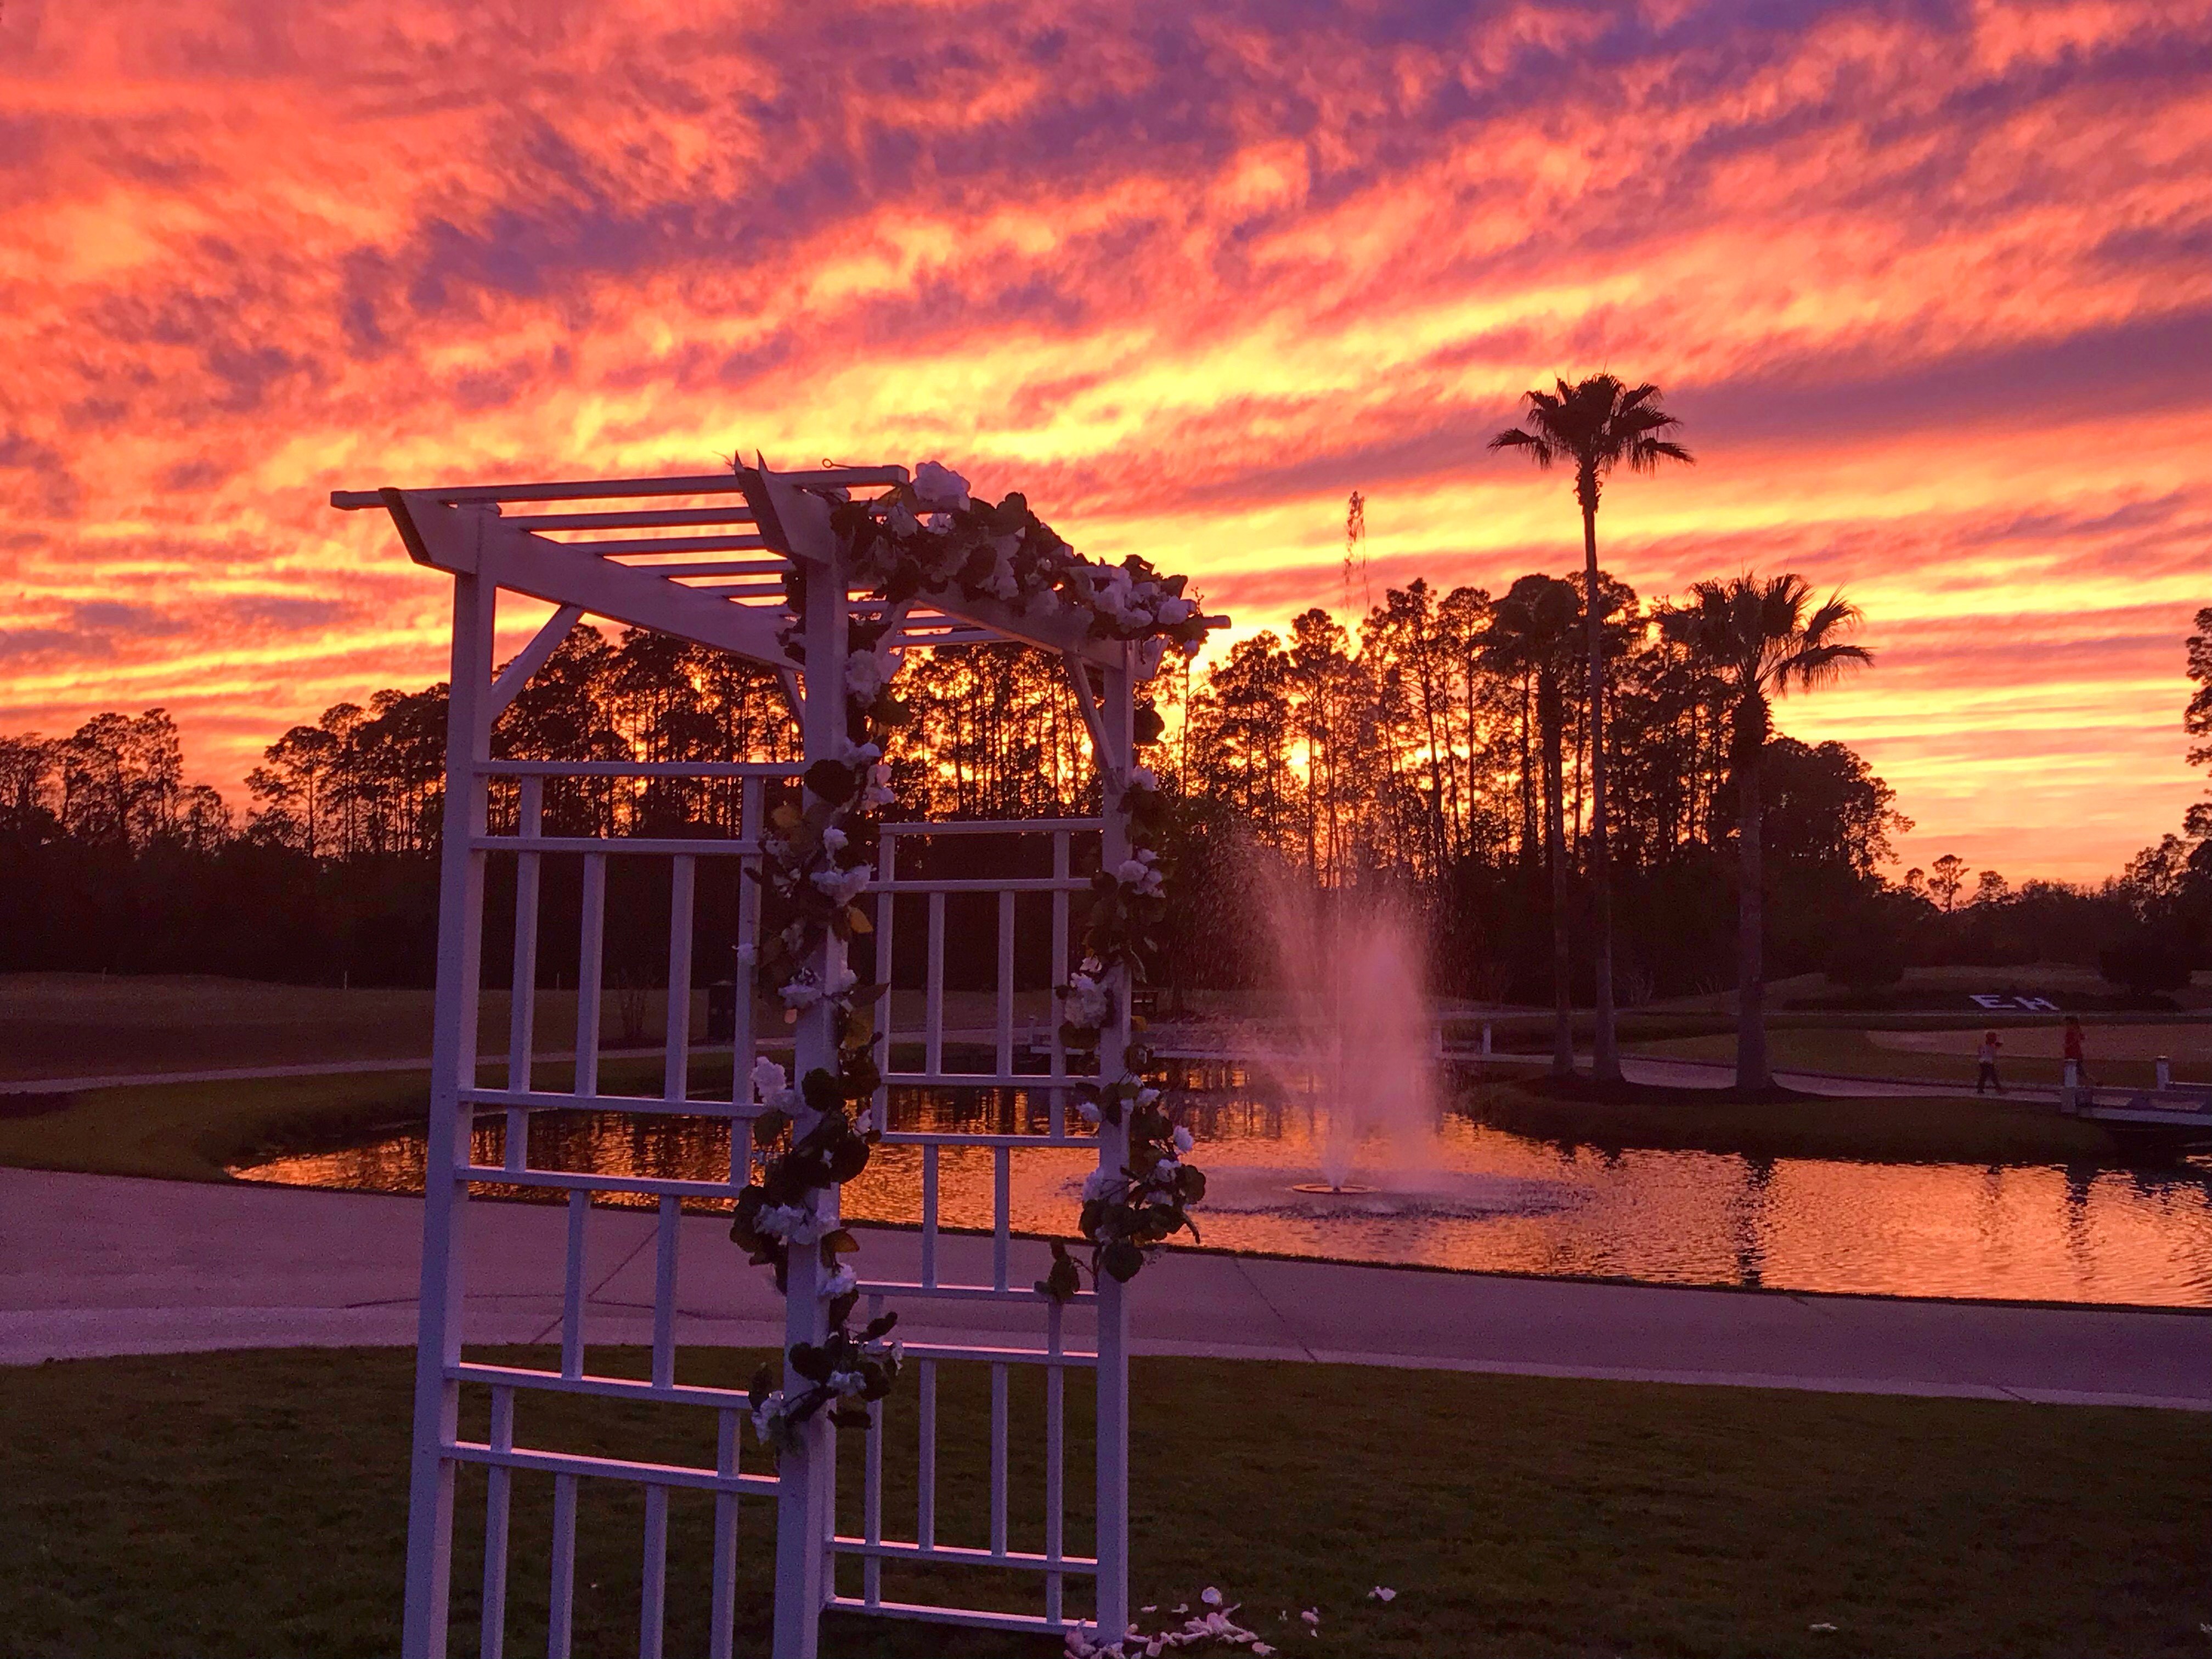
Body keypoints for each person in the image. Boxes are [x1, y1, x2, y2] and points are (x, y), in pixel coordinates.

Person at [2062, 1015, 2094, 1101]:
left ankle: (2088, 1085)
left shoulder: (2071, 1031)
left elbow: (2074, 1040)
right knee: (2078, 1071)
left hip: (2072, 1054)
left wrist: (2068, 1045)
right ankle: (2089, 1084)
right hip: (2075, 1053)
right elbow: (2082, 1038)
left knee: (2076, 1071)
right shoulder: (2076, 1030)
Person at [1976, 1030, 2002, 1095]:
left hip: (1983, 1062)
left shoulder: (1983, 1046)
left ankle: (1980, 1089)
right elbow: (2000, 1044)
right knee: (1993, 1076)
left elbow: (1979, 1052)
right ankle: (1999, 1089)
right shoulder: (1991, 1046)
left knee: (1984, 1076)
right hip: (1988, 1062)